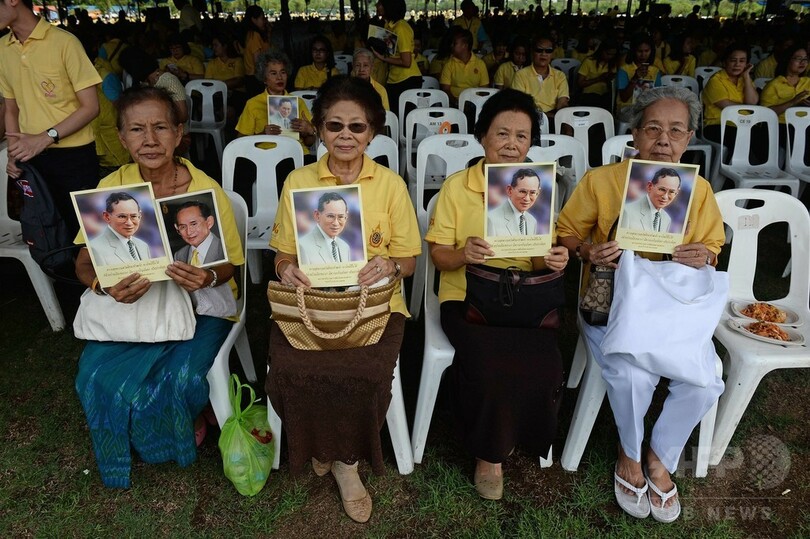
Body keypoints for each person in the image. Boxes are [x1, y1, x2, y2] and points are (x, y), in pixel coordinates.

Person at [556, 86, 725, 523]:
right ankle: (629, 453)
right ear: (634, 134)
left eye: (675, 130)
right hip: (612, 302)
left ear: (689, 138)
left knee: (706, 382)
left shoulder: (699, 189)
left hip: (673, 307)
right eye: (653, 128)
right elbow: (566, 232)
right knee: (631, 373)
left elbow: (712, 245)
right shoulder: (602, 180)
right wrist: (588, 252)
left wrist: (702, 254)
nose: (663, 140)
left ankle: (659, 456)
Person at [74, 86, 244, 488]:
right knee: (93, 375)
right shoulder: (110, 190)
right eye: (136, 129)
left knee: (182, 377)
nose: (149, 140)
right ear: (121, 137)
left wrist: (206, 276)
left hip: (201, 305)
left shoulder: (206, 190)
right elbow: (84, 260)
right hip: (135, 306)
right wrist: (103, 284)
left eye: (160, 128)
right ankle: (153, 425)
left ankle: (182, 417)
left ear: (178, 132)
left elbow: (230, 266)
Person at [268, 76, 420, 523]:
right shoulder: (298, 180)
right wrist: (285, 269)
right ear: (318, 128)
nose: (346, 136)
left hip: (373, 307)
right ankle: (320, 445)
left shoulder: (390, 185)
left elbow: (409, 259)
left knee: (365, 373)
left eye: (357, 126)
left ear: (373, 131)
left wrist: (389, 266)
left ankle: (346, 464)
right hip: (310, 304)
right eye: (335, 126)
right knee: (293, 366)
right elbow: (282, 253)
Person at [424, 88, 569, 501]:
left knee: (545, 364)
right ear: (482, 136)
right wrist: (462, 253)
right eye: (501, 133)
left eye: (522, 136)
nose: (511, 144)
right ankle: (489, 455)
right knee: (488, 363)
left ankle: (525, 432)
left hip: (526, 294)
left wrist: (553, 261)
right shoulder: (457, 187)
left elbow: (542, 260)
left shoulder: (539, 185)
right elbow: (438, 256)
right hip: (468, 294)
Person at [0, 0, 101, 236]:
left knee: (86, 233)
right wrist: (14, 154)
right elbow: (11, 108)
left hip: (74, 158)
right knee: (47, 231)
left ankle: (87, 273)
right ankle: (57, 273)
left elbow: (90, 107)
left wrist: (45, 138)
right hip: (31, 159)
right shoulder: (3, 49)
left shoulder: (64, 42)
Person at [235, 51, 317, 154]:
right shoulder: (253, 104)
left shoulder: (298, 102)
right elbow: (240, 142)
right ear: (264, 79)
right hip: (265, 155)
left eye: (283, 72)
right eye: (273, 73)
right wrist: (263, 134)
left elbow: (310, 143)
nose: (279, 77)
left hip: (295, 153)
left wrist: (308, 131)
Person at [702, 43, 758, 145]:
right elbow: (727, 106)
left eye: (742, 61)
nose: (737, 64)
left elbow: (752, 102)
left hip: (743, 124)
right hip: (717, 125)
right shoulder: (716, 80)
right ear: (724, 62)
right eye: (733, 60)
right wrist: (749, 108)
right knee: (741, 137)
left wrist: (746, 76)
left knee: (762, 134)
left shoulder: (745, 80)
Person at [374, 0, 423, 115]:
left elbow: (407, 62)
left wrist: (383, 58)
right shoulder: (389, 25)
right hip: (394, 78)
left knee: (404, 118)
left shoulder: (401, 28)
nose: (377, 6)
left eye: (380, 3)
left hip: (406, 79)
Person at [760, 45, 810, 150]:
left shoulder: (808, 82)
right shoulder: (774, 84)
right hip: (783, 126)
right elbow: (766, 114)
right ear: (787, 60)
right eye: (798, 59)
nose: (803, 62)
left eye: (805, 59)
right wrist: (793, 102)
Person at [512, 36, 570, 124]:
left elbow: (562, 103)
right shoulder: (520, 75)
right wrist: (545, 116)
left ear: (552, 54)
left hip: (554, 117)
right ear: (532, 53)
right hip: (529, 117)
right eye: (539, 50)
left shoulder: (560, 76)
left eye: (548, 51)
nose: (544, 54)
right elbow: (520, 104)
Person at [88, 192, 151, 264]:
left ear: (140, 216)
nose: (129, 223)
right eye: (122, 216)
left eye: (133, 216)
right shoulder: (94, 248)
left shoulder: (143, 246)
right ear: (107, 217)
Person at [619, 167, 681, 232]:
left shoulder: (667, 219)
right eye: (662, 189)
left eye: (671, 192)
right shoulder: (627, 212)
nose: (665, 197)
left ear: (676, 193)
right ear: (649, 186)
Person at [297, 192, 352, 265]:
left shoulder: (345, 247)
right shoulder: (302, 246)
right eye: (330, 216)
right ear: (317, 215)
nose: (336, 223)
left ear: (346, 217)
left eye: (341, 217)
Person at [616, 34, 662, 122]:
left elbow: (658, 95)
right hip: (627, 108)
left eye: (646, 51)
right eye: (639, 51)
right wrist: (635, 78)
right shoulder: (624, 70)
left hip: (648, 108)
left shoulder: (655, 71)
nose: (643, 55)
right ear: (633, 51)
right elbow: (624, 98)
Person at [439, 27, 489, 106]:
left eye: (455, 43)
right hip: (454, 103)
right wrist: (457, 103)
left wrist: (475, 103)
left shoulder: (480, 64)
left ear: (465, 45)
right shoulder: (449, 64)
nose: (451, 46)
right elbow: (445, 89)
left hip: (475, 104)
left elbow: (484, 89)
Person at [486, 168, 541, 236]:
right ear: (509, 190)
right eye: (522, 191)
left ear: (538, 193)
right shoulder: (491, 219)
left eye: (532, 192)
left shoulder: (532, 221)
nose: (527, 198)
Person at [173, 200, 225, 266]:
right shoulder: (179, 255)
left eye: (194, 224)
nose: (189, 232)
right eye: (183, 227)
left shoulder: (224, 249)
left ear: (209, 222)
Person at [576, 39, 619, 109]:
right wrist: (598, 79)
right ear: (601, 51)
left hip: (606, 94)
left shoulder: (612, 63)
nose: (610, 57)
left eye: (613, 55)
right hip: (589, 94)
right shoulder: (589, 61)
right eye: (608, 54)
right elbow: (580, 83)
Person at [241, 5, 270, 96]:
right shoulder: (254, 36)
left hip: (254, 77)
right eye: (262, 18)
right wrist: (265, 79)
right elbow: (257, 61)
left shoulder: (252, 34)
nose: (264, 21)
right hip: (256, 78)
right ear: (254, 20)